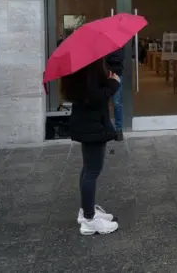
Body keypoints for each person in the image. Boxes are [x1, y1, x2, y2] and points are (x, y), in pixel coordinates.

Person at [61, 58, 121, 235]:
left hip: (88, 123)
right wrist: (113, 84)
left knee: (88, 168)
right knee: (92, 171)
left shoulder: (78, 66)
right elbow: (95, 97)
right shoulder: (88, 66)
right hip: (92, 124)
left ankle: (86, 211)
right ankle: (89, 220)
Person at [105, 47, 125, 139]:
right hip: (105, 75)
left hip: (117, 74)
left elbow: (120, 57)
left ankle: (118, 129)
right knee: (104, 102)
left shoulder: (119, 43)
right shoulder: (103, 43)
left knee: (117, 103)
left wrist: (109, 56)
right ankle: (106, 127)